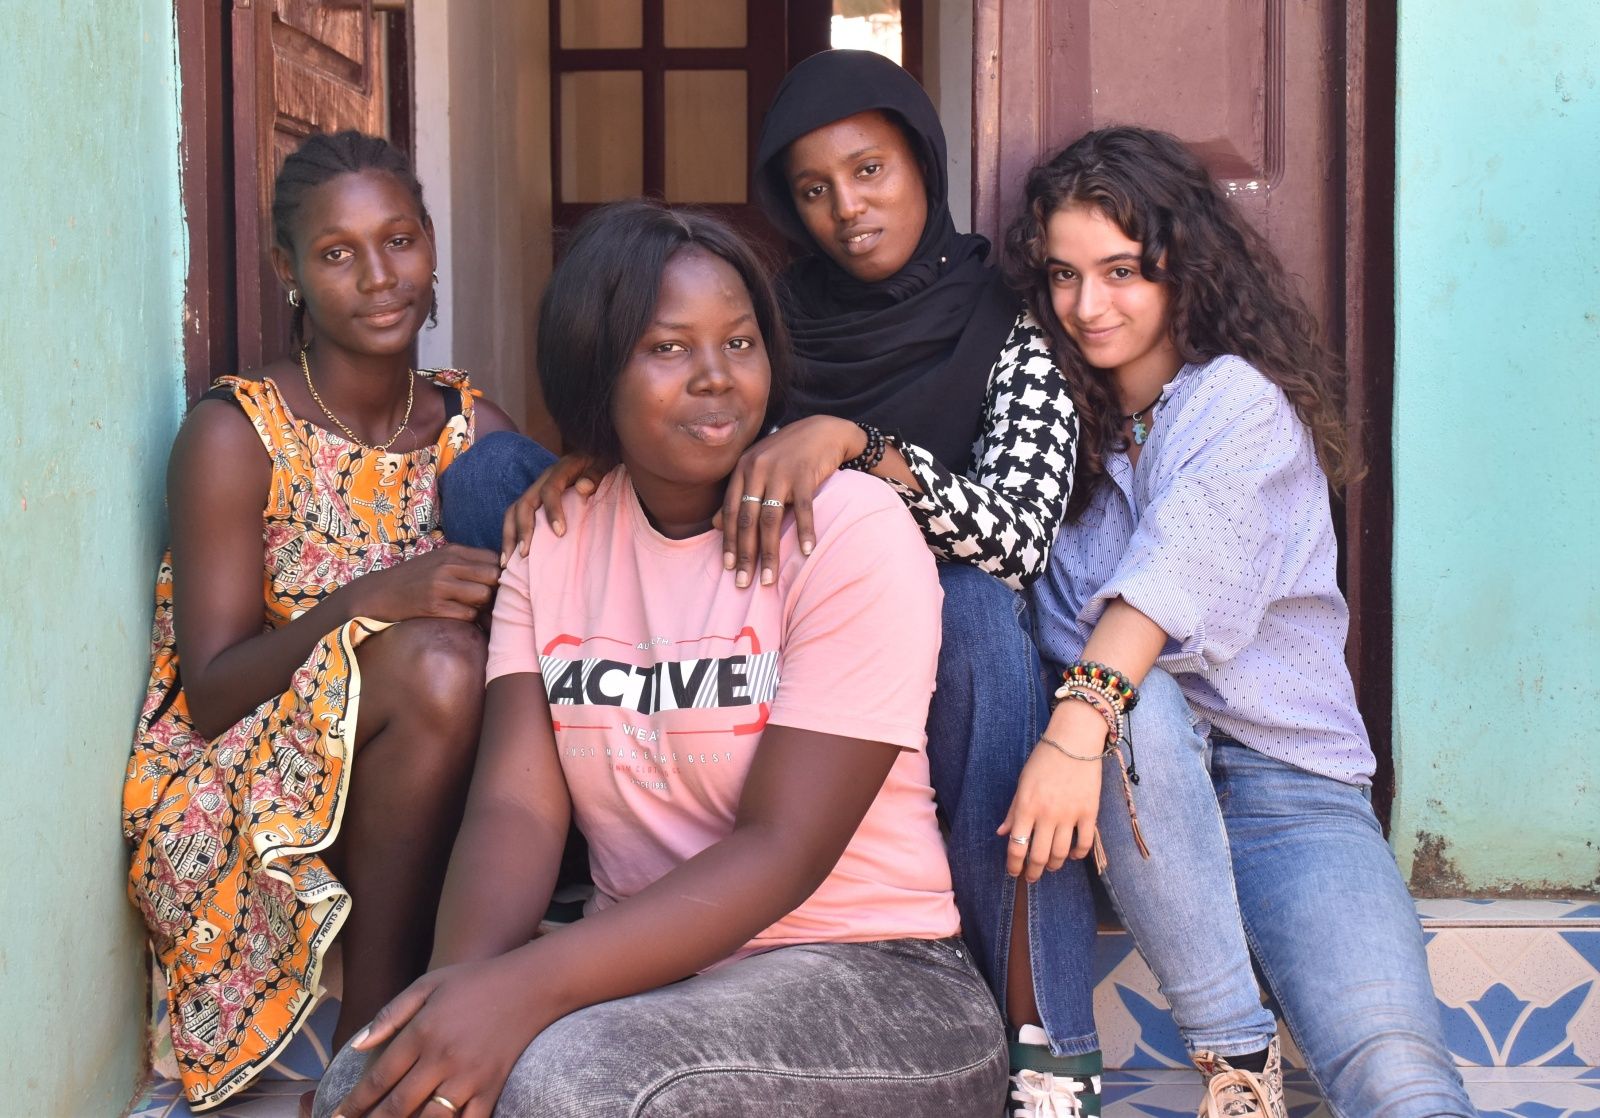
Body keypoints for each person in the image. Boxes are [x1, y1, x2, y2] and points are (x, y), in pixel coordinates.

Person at [464, 50, 1104, 1116]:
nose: (847, 208)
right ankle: (604, 833)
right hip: (756, 595)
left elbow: (1016, 539)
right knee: (498, 481)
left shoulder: (1008, 325)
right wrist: (597, 455)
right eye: (813, 189)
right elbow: (700, 420)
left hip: (934, 638)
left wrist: (861, 447)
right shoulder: (780, 311)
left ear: (924, 161)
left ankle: (1042, 1025)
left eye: (870, 170)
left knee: (979, 617)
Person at [311, 200, 1008, 1118]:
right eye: (669, 348)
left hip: (876, 982)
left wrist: (523, 990)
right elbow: (518, 807)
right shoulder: (555, 538)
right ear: (595, 368)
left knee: (571, 1089)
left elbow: (784, 846)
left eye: (741, 343)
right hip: (650, 980)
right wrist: (456, 998)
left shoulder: (848, 528)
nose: (717, 376)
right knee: (371, 1085)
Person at [1004, 126, 1476, 1117]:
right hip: (1133, 797)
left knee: (1396, 1073)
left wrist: (1068, 731)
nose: (1087, 306)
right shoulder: (1051, 435)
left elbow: (1167, 583)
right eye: (1063, 275)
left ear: (1182, 265)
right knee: (1134, 702)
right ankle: (1238, 1063)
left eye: (1121, 270)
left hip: (1289, 787)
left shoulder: (1235, 402)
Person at [122, 130, 518, 1112]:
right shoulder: (237, 432)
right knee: (439, 662)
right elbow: (211, 691)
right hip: (239, 777)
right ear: (288, 271)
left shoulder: (476, 432)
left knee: (487, 665)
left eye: (399, 241)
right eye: (338, 253)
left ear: (430, 245)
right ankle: (368, 1047)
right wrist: (361, 604)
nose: (379, 278)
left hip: (425, 764)